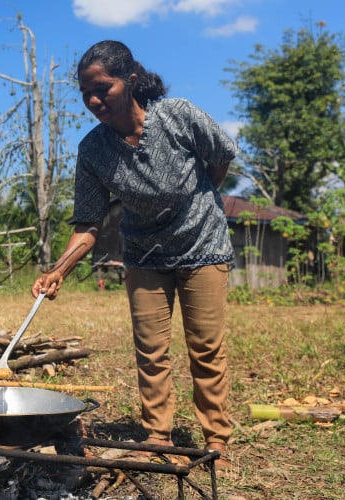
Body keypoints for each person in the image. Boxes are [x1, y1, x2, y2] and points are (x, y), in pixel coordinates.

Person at [31, 40, 236, 470]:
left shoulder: (177, 115)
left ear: (131, 81)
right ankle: (158, 434)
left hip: (203, 244)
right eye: (85, 92)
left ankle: (216, 440)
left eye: (102, 88)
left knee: (205, 347)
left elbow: (220, 157)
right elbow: (88, 224)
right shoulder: (93, 151)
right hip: (143, 252)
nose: (92, 100)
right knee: (150, 348)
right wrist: (59, 270)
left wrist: (199, 201)